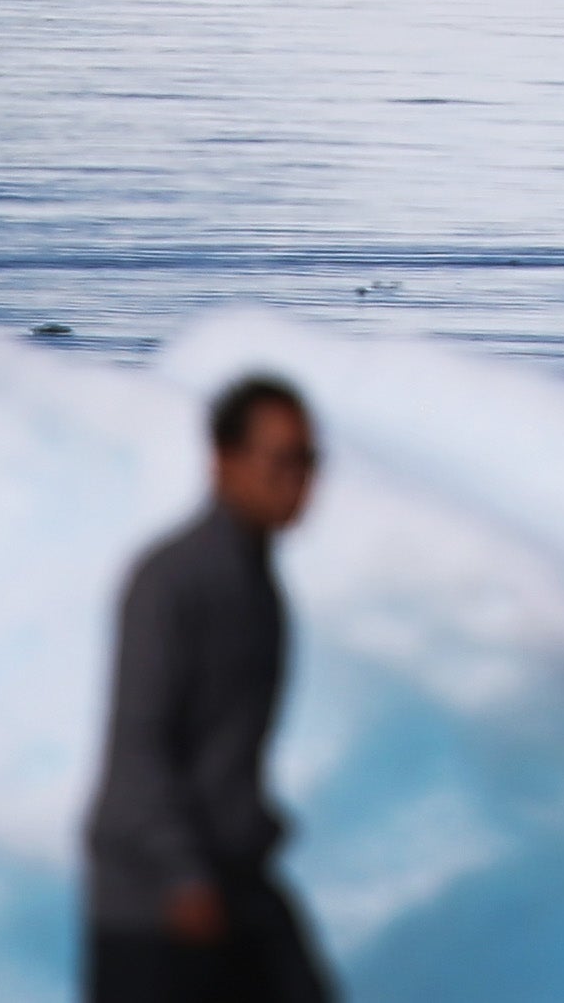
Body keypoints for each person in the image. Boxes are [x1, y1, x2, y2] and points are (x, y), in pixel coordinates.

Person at [84, 373, 336, 1003]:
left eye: (308, 461)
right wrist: (184, 876)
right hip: (155, 900)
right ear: (223, 461)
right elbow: (140, 748)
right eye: (281, 460)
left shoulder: (258, 584)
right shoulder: (172, 581)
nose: (299, 480)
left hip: (231, 883)